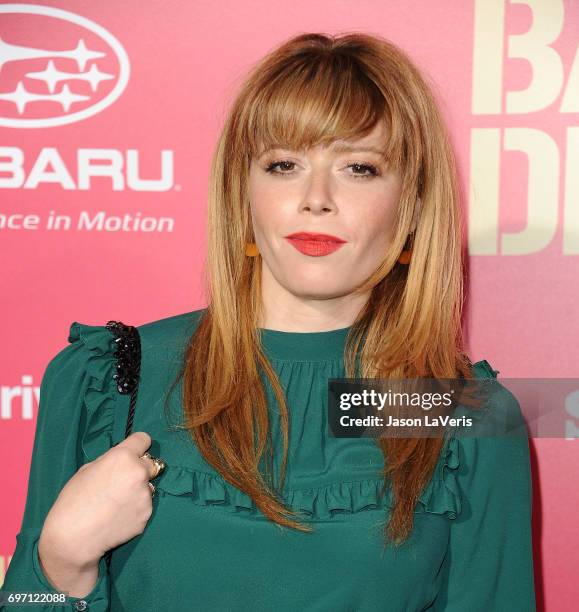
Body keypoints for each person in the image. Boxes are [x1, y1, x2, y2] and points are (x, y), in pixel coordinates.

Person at [1, 32, 535, 611]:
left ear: (412, 204)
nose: (316, 198)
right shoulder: (108, 380)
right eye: (284, 164)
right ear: (243, 192)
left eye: (359, 167)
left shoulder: (455, 412)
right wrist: (59, 558)